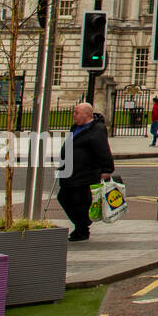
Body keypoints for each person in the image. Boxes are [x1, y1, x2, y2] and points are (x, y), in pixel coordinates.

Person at [57, 102, 115, 242]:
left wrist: (107, 169)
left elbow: (103, 150)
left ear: (87, 114)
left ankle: (82, 228)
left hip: (84, 173)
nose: (73, 115)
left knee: (78, 202)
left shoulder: (96, 129)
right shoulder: (77, 128)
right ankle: (82, 225)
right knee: (64, 198)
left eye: (77, 113)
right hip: (71, 172)